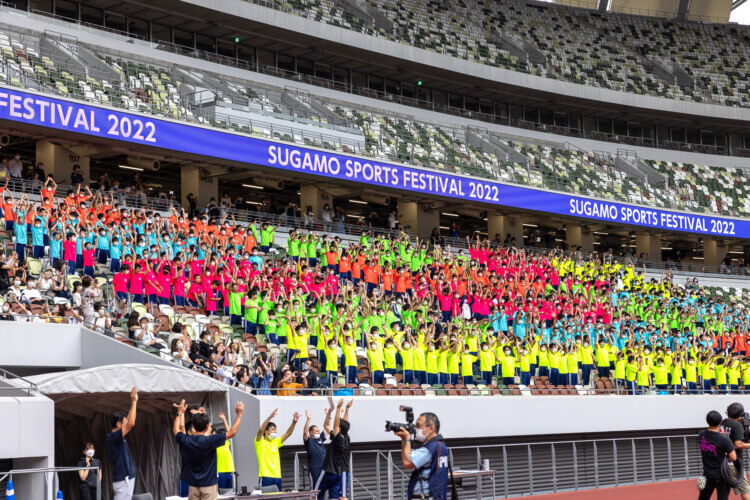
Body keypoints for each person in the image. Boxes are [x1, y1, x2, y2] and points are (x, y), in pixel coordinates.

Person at [173, 400, 244, 500]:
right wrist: (239, 414)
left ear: (194, 427)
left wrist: (179, 413)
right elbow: (232, 432)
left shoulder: (187, 440)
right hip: (209, 486)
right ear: (207, 427)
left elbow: (176, 430)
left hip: (193, 486)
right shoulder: (211, 440)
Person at [393, 411, 450, 500]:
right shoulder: (441, 445)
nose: (416, 429)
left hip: (424, 496)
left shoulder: (430, 448)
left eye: (418, 426)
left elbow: (408, 463)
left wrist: (406, 439)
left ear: (430, 428)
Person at [254, 408, 300, 491]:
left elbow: (288, 433)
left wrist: (294, 422)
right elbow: (260, 430)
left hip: (277, 476)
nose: (275, 432)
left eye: (275, 430)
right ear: (266, 432)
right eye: (272, 429)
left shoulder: (275, 442)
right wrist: (270, 417)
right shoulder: (260, 442)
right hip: (265, 476)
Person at [316, 399, 352, 500]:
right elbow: (327, 426)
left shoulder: (340, 438)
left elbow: (337, 424)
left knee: (317, 493)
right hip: (337, 472)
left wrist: (338, 408)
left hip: (333, 470)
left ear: (340, 429)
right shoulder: (342, 436)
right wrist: (345, 409)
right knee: (335, 497)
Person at [106, 387, 138, 500]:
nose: (126, 424)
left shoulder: (118, 437)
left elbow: (129, 422)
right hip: (122, 480)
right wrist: (134, 401)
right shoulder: (112, 437)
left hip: (126, 478)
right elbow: (131, 423)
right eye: (124, 422)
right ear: (119, 424)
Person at [699, 410, 737, 500]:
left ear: (707, 421)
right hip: (721, 475)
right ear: (720, 422)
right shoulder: (724, 439)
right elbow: (733, 457)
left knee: (703, 498)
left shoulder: (702, 435)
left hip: (707, 474)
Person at [720, 402, 750, 500]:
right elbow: (738, 444)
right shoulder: (737, 426)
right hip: (734, 461)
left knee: (724, 491)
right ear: (740, 415)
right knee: (745, 490)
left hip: (722, 461)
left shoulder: (723, 423)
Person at [303, 409, 330, 489]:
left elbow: (326, 428)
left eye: (318, 431)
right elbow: (305, 433)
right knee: (315, 490)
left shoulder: (320, 439)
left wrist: (328, 415)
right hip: (314, 469)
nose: (318, 433)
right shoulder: (309, 441)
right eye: (316, 431)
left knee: (323, 489)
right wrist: (308, 419)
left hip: (324, 468)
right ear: (311, 432)